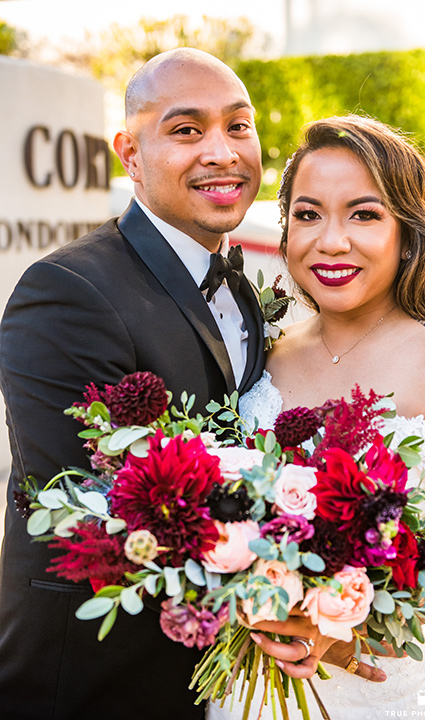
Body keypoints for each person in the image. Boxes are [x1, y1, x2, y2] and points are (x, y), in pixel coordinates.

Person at [0, 48, 267, 720]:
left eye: (239, 126)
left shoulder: (242, 288)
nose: (222, 151)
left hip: (211, 673)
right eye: (186, 130)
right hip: (94, 678)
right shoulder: (68, 290)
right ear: (129, 153)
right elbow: (88, 501)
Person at [208, 115, 425, 719]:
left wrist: (344, 632)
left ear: (409, 231)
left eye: (363, 214)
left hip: (367, 695)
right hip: (240, 691)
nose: (330, 241)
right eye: (308, 215)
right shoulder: (265, 351)